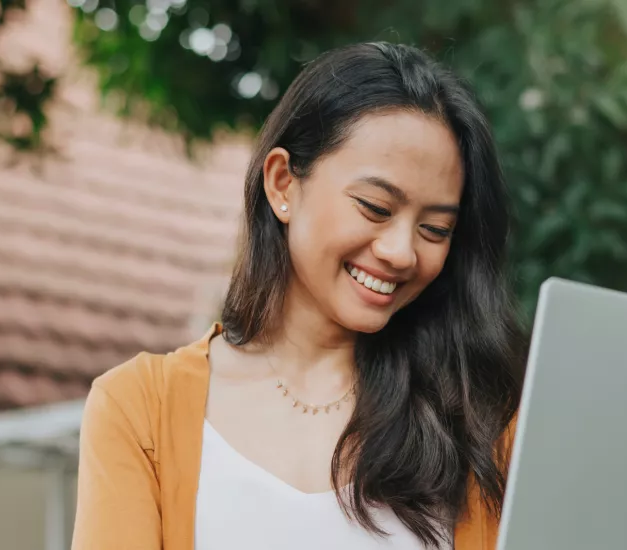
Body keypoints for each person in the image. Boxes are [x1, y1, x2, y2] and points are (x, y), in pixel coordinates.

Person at [71, 42, 526, 550]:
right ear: (283, 183)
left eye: (436, 229)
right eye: (375, 207)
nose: (402, 252)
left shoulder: (486, 428)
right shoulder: (140, 408)